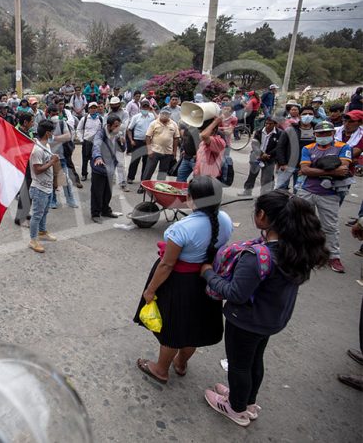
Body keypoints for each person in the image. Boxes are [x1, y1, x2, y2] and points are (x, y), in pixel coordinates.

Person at [200, 190, 329, 426]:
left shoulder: (258, 255)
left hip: (246, 321)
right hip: (271, 319)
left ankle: (235, 408)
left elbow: (235, 293)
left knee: (239, 365)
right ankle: (248, 401)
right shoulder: (298, 248)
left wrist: (208, 274)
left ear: (263, 216)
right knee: (255, 360)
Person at [134, 176, 233, 384]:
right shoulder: (224, 220)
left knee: (174, 327)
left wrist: (150, 290)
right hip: (206, 280)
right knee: (194, 327)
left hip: (180, 282)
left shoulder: (183, 228)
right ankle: (180, 363)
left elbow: (167, 264)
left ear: (190, 199)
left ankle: (161, 369)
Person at [296, 121, 352, 273]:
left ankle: (334, 256)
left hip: (330, 194)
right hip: (307, 190)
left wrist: (314, 169)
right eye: (320, 133)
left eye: (327, 133)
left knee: (330, 227)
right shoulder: (308, 148)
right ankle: (302, 254)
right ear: (315, 134)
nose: (323, 136)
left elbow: (343, 169)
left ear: (333, 133)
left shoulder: (342, 147)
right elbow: (305, 169)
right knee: (302, 224)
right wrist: (329, 170)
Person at [28, 120, 59, 253]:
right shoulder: (37, 150)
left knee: (44, 212)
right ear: (47, 133)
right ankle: (33, 240)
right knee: (36, 215)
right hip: (39, 188)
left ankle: (42, 232)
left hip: (47, 187)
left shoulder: (46, 146)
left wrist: (55, 182)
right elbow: (37, 170)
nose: (53, 134)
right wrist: (52, 162)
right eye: (52, 131)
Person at [238, 115, 282, 197]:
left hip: (270, 159)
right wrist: (261, 154)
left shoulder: (280, 134)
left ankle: (264, 196)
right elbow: (254, 144)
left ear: (275, 124)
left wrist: (268, 155)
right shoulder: (259, 131)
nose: (268, 125)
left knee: (267, 179)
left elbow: (279, 147)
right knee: (252, 175)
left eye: (270, 124)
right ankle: (247, 191)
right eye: (266, 123)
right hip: (257, 156)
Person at [275, 106, 317, 191]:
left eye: (310, 114)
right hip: (288, 165)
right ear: (299, 115)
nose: (307, 116)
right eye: (304, 114)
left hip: (305, 167)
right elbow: (280, 147)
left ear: (314, 116)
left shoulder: (317, 130)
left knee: (298, 192)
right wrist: (282, 163)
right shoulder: (290, 129)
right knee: (280, 190)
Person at [90, 115, 122, 223]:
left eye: (119, 126)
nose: (118, 128)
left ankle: (105, 210)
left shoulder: (117, 135)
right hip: (99, 166)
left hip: (110, 167)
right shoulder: (100, 134)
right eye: (116, 126)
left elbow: (122, 149)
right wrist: (98, 157)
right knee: (97, 191)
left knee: (108, 191)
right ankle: (95, 213)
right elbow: (96, 145)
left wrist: (123, 142)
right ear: (109, 126)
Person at [46, 105, 79, 209]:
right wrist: (60, 139)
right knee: (51, 180)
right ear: (48, 114)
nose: (55, 116)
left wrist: (54, 138)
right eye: (53, 114)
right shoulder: (45, 125)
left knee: (66, 180)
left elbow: (68, 136)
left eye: (57, 114)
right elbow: (44, 140)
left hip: (61, 156)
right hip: (49, 157)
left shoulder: (61, 123)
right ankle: (53, 201)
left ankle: (70, 200)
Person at [140, 107, 179, 189]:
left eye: (167, 114)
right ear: (160, 114)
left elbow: (176, 138)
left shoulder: (174, 124)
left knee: (163, 172)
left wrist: (174, 152)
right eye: (163, 114)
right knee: (149, 170)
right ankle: (142, 186)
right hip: (155, 151)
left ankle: (159, 188)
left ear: (169, 115)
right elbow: (147, 137)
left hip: (167, 152)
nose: (164, 116)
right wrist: (149, 150)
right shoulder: (154, 123)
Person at [125, 100, 156, 184]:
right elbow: (129, 129)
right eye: (143, 107)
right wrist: (131, 140)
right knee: (135, 161)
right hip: (137, 141)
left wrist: (152, 110)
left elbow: (158, 121)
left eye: (147, 107)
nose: (145, 108)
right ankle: (130, 177)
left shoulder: (152, 116)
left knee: (146, 162)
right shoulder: (136, 117)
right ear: (140, 107)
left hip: (148, 142)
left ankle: (144, 179)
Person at [14, 112, 35, 228]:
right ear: (25, 122)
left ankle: (25, 213)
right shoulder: (19, 133)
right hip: (23, 167)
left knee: (28, 191)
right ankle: (20, 218)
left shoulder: (27, 132)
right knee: (25, 192)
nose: (33, 123)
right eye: (31, 121)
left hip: (28, 165)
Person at [76, 102, 102, 181]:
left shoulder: (100, 119)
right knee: (85, 159)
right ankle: (84, 174)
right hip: (87, 142)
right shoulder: (85, 118)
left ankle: (95, 174)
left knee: (95, 158)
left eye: (95, 108)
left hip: (97, 143)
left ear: (97, 109)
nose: (93, 109)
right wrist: (81, 139)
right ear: (88, 109)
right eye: (91, 108)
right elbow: (79, 129)